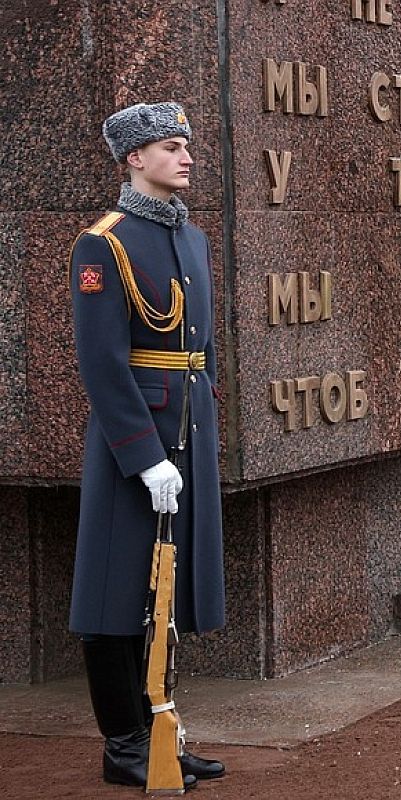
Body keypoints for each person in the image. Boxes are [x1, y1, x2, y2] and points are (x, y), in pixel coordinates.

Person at [69, 101, 226, 789]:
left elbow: (202, 348)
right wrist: (143, 454)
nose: (185, 155)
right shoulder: (104, 243)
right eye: (169, 146)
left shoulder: (191, 239)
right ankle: (124, 743)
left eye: (186, 144)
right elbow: (102, 363)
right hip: (134, 442)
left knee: (164, 592)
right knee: (115, 595)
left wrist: (201, 423)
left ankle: (161, 725)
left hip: (189, 432)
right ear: (133, 158)